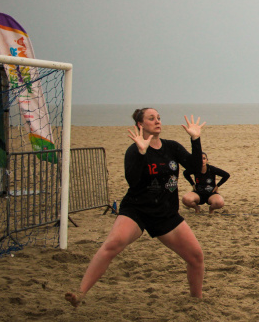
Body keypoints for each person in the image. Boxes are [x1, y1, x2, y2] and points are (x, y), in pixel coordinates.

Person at [65, 108, 206, 307]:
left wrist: (195, 139)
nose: (157, 121)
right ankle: (80, 293)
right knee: (113, 244)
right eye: (151, 118)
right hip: (137, 210)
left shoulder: (172, 147)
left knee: (196, 256)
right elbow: (133, 180)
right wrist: (141, 152)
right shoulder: (134, 150)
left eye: (158, 118)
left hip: (165, 212)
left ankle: (196, 300)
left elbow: (195, 167)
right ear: (140, 125)